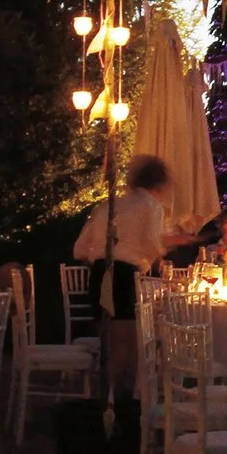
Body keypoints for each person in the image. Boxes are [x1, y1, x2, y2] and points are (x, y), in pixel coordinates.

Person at [72, 155, 179, 395]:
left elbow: (79, 249)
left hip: (99, 275)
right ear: (159, 183)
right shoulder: (151, 206)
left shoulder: (106, 207)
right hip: (124, 276)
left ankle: (103, 401)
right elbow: (151, 242)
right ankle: (115, 404)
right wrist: (161, 253)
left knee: (109, 345)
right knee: (126, 346)